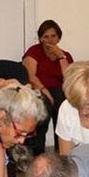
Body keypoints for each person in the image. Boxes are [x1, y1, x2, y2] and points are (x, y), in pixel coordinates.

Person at [23, 20, 74, 152]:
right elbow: (31, 77)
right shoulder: (34, 51)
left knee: (64, 106)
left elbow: (68, 78)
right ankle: (37, 152)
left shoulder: (65, 55)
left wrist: (61, 56)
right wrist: (46, 92)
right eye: (46, 36)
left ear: (58, 37)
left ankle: (62, 150)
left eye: (53, 36)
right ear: (40, 38)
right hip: (38, 89)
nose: (50, 40)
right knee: (44, 108)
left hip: (59, 92)